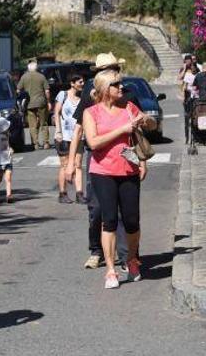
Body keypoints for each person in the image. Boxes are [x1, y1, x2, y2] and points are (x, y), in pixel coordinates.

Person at [83, 69, 152, 289]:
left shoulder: (129, 108)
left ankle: (131, 259)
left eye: (121, 84)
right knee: (109, 220)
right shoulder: (91, 113)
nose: (121, 88)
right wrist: (122, 129)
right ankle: (111, 270)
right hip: (102, 172)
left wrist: (146, 121)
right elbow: (93, 143)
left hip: (128, 169)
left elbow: (144, 129)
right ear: (104, 89)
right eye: (116, 84)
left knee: (132, 221)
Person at [63, 53, 129, 270]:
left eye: (114, 68)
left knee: (121, 210)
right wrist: (71, 162)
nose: (112, 73)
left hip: (123, 155)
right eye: (107, 69)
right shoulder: (91, 94)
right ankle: (96, 251)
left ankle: (124, 255)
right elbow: (79, 129)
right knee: (97, 208)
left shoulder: (124, 92)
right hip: (98, 156)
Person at [53, 74, 85, 204]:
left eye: (83, 82)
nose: (82, 84)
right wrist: (58, 130)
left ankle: (79, 193)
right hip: (64, 135)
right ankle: (63, 193)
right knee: (65, 164)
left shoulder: (82, 98)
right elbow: (56, 112)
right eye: (80, 82)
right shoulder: (63, 95)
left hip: (78, 136)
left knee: (78, 164)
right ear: (72, 83)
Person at [17, 59, 52, 150]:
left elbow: (18, 90)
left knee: (32, 125)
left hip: (29, 104)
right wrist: (48, 102)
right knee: (43, 123)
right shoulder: (41, 77)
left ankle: (35, 144)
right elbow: (47, 91)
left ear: (28, 68)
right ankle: (46, 143)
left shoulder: (24, 77)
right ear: (36, 68)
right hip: (41, 102)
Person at [0, 117, 14, 203]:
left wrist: (10, 149)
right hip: (0, 162)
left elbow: (7, 146)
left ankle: (9, 195)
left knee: (8, 178)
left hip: (8, 161)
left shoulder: (7, 135)